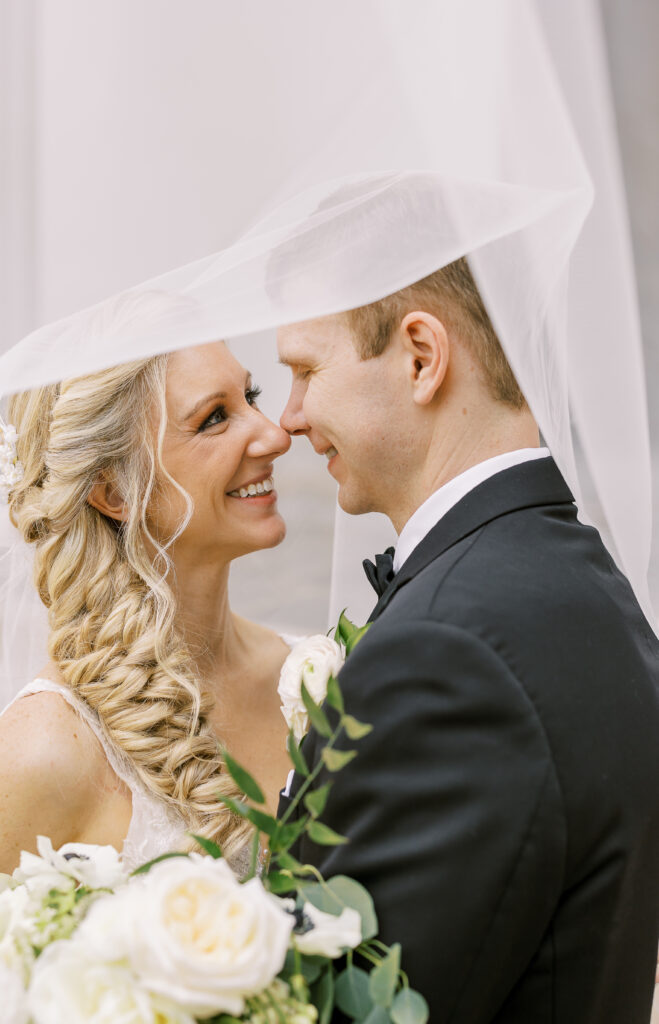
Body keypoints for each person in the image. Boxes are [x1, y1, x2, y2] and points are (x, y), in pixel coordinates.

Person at [276, 256, 659, 1022]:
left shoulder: (448, 655)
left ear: (422, 357)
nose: (286, 417)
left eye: (305, 372)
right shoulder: (574, 580)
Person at [0, 293, 294, 879]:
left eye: (250, 397)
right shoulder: (40, 752)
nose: (275, 436)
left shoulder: (307, 680)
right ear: (114, 493)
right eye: (215, 418)